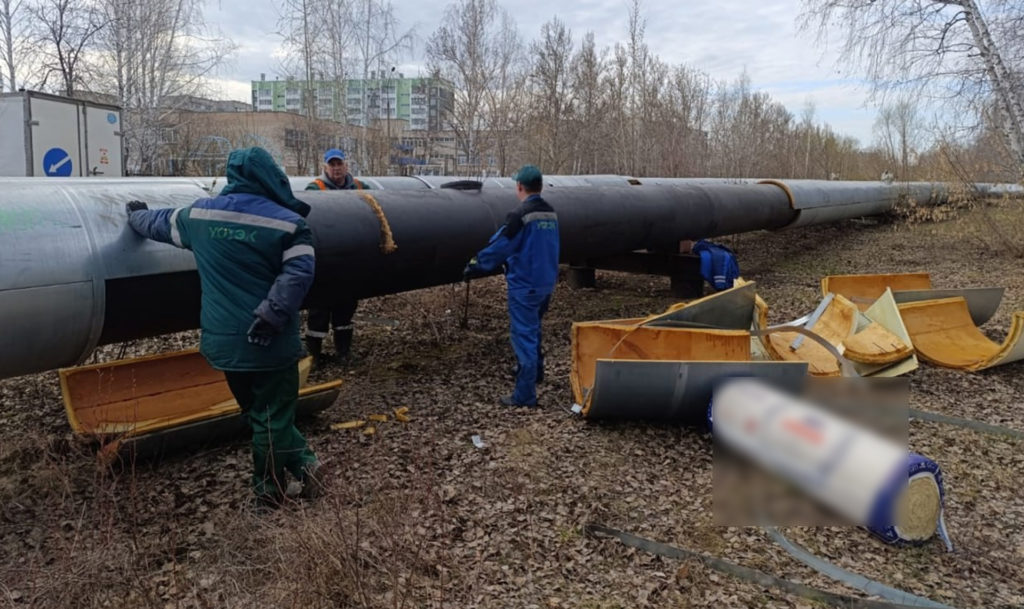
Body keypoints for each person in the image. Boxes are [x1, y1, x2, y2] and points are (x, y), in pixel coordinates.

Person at [125, 146, 324, 510]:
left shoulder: (198, 215)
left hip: (223, 344)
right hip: (270, 340)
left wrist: (136, 216)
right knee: (272, 418)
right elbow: (299, 275)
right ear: (270, 176)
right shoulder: (289, 224)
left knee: (258, 414)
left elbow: (158, 223)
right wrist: (271, 316)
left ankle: (307, 465)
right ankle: (269, 494)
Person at [463, 165, 560, 408]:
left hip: (524, 285)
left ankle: (525, 395)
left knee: (524, 335)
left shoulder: (520, 215)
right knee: (534, 329)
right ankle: (535, 372)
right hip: (545, 283)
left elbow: (502, 245)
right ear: (540, 186)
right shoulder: (550, 213)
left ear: (519, 187)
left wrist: (476, 264)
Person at [303, 148, 367, 363]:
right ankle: (314, 356)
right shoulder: (314, 188)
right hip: (324, 257)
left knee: (346, 305)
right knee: (319, 308)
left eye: (340, 164)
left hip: (350, 257)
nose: (336, 168)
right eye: (332, 165)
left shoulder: (359, 187)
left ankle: (344, 352)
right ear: (325, 167)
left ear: (346, 166)